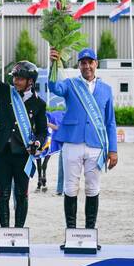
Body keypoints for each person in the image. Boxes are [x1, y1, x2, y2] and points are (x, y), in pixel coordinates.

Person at [0, 36, 48, 228]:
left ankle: (19, 232)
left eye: (20, 78)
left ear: (30, 82)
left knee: (21, 195)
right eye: (15, 77)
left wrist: (39, 143)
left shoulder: (39, 104)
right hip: (2, 152)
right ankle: (5, 232)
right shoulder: (5, 92)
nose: (16, 81)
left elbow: (42, 131)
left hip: (23, 153)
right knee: (3, 194)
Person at [48, 48, 118, 238]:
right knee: (70, 187)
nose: (87, 66)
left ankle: (89, 235)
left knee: (92, 188)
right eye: (83, 63)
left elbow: (110, 121)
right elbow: (54, 87)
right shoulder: (70, 84)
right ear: (78, 65)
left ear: (96, 64)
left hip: (96, 145)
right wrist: (53, 64)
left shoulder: (106, 90)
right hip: (72, 142)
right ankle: (71, 234)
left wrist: (113, 150)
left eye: (90, 62)